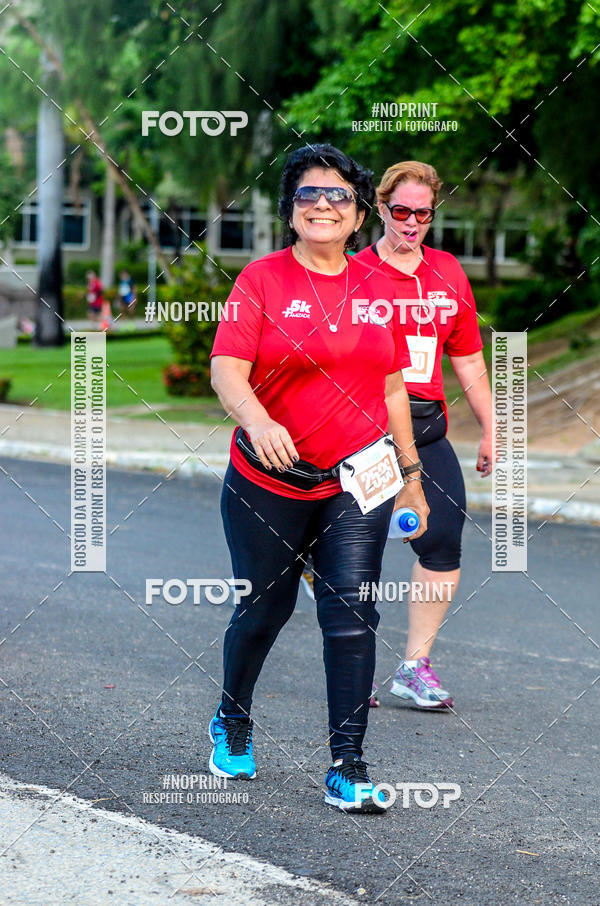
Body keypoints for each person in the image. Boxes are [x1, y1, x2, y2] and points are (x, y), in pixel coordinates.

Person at [208, 143, 429, 813]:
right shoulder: (262, 280)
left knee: (353, 613)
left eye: (339, 195)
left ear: (359, 215)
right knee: (264, 609)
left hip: (357, 480)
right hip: (269, 481)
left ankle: (347, 765)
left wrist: (412, 477)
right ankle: (233, 719)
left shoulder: (377, 289)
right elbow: (226, 369)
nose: (324, 204)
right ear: (291, 210)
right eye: (309, 193)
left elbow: (392, 387)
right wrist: (258, 420)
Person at [355, 161, 492, 708]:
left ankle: (414, 667)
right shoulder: (352, 272)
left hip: (427, 427)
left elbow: (470, 359)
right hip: (364, 432)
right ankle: (353, 666)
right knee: (356, 552)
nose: (412, 222)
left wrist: (493, 428)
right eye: (401, 211)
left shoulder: (448, 272)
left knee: (442, 542)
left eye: (423, 213)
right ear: (380, 208)